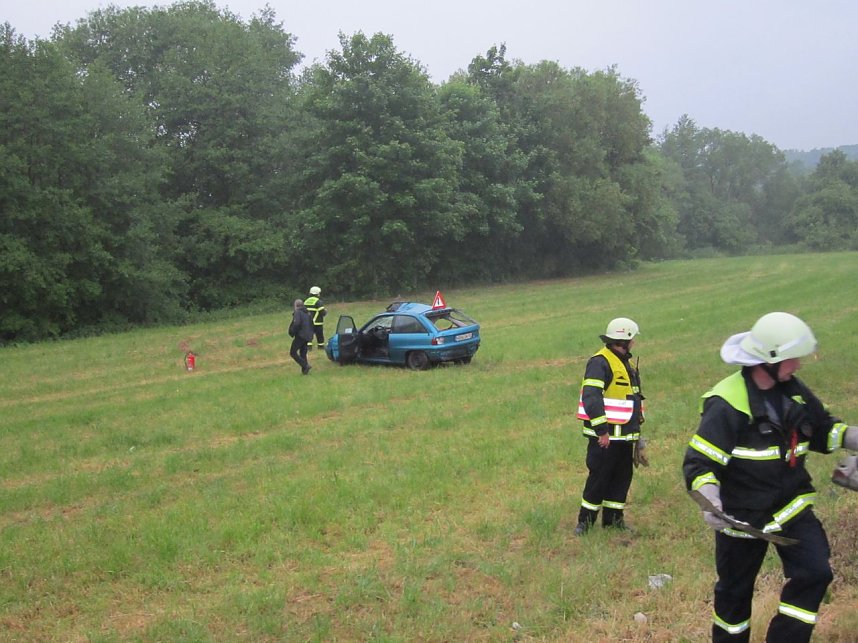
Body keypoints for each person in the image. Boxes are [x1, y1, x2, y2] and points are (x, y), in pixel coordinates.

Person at [682, 312, 858, 642]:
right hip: (741, 518)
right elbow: (699, 463)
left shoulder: (792, 390)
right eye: (793, 359)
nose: (799, 366)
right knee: (734, 597)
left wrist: (851, 436)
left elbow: (822, 430)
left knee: (815, 573)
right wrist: (710, 501)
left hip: (791, 510)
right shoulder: (728, 403)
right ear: (769, 360)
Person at [574, 317, 647, 536]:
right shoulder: (600, 362)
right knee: (599, 479)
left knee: (621, 479)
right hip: (605, 438)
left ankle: (614, 520)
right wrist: (602, 431)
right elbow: (591, 397)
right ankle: (584, 524)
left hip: (624, 436)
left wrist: (638, 439)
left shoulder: (625, 362)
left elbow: (632, 400)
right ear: (625, 340)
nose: (634, 342)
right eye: (632, 339)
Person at [288, 299, 314, 375]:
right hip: (308, 335)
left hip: (301, 335)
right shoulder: (308, 312)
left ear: (296, 306)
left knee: (293, 352)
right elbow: (312, 324)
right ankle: (305, 371)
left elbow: (296, 324)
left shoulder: (298, 312)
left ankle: (305, 365)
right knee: (303, 353)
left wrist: (292, 332)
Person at [303, 286, 327, 350]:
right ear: (317, 293)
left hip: (307, 322)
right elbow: (322, 312)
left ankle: (308, 347)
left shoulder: (306, 301)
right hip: (317, 322)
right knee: (319, 335)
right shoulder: (318, 301)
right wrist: (325, 312)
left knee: (309, 335)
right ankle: (321, 346)